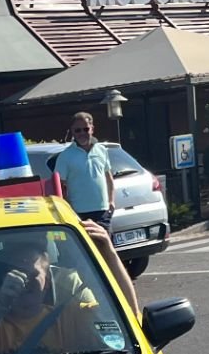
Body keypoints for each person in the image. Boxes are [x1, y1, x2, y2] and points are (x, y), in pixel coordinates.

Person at [0, 237, 121, 354]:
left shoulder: (69, 315)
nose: (24, 281)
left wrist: (109, 255)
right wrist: (0, 303)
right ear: (1, 284)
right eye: (15, 275)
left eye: (31, 273)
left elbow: (121, 315)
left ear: (47, 282)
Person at [47, 113, 140, 313]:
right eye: (77, 130)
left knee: (108, 252)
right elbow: (58, 185)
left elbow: (108, 177)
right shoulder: (66, 156)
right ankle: (89, 295)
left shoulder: (101, 150)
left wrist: (112, 202)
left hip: (103, 212)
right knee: (85, 256)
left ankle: (112, 292)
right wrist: (67, 208)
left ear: (92, 129)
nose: (82, 133)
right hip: (80, 214)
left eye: (85, 129)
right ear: (72, 133)